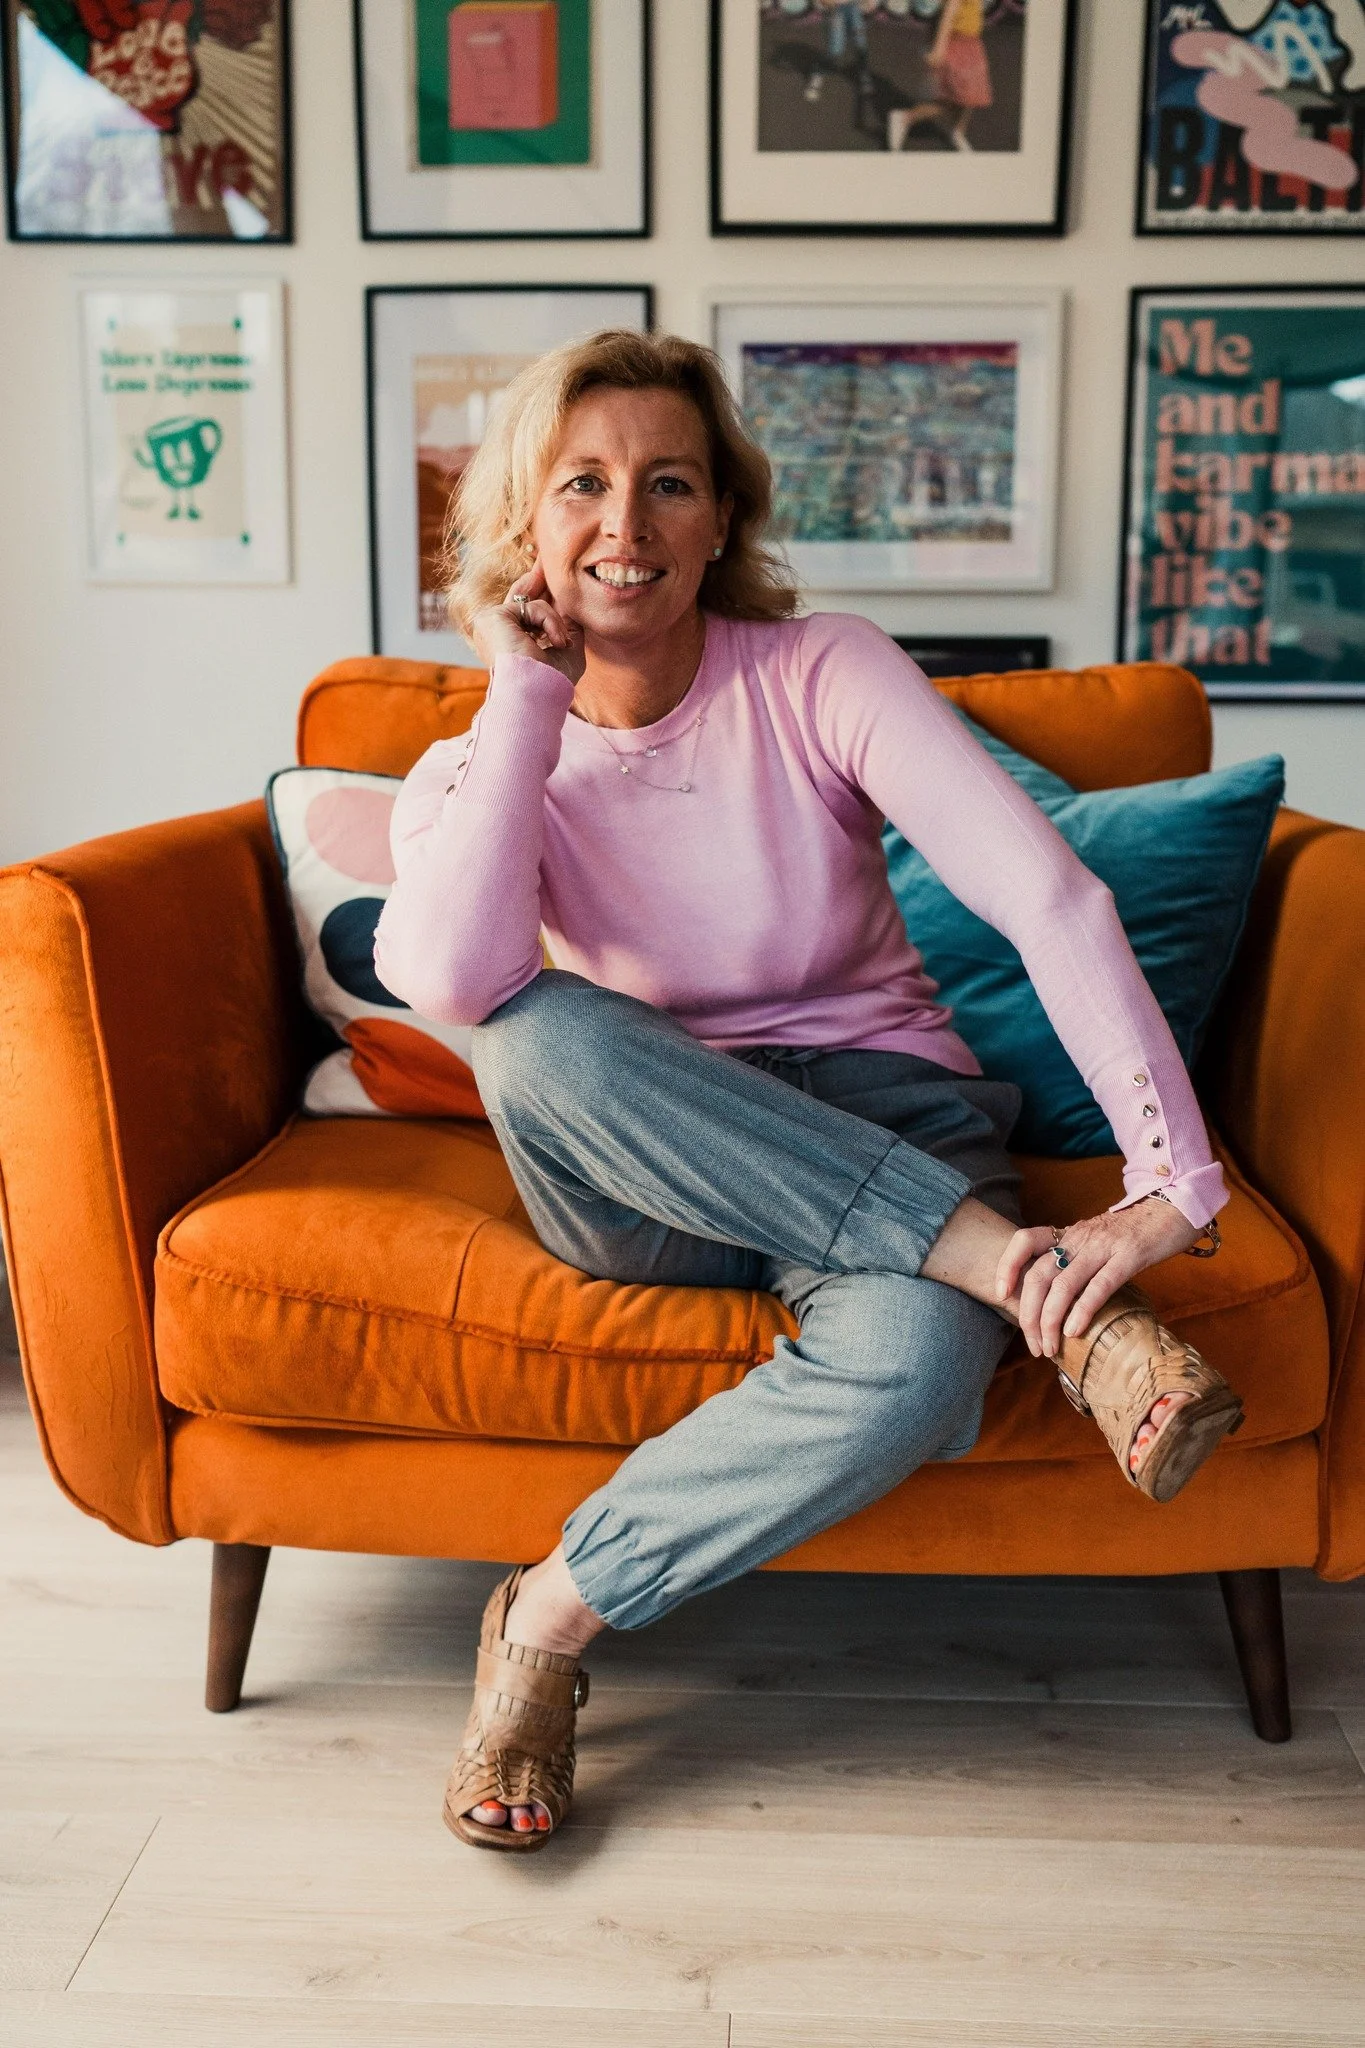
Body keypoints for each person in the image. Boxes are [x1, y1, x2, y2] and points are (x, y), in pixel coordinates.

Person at [374, 330, 1237, 1854]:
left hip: (881, 1118)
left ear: (723, 520)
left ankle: (545, 1623)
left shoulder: (820, 671)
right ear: (524, 521)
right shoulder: (474, 762)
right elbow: (448, 981)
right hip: (646, 1168)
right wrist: (525, 699)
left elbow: (1048, 901)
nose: (623, 525)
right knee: (524, 1025)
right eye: (580, 484)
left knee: (919, 1373)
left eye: (669, 484)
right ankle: (1033, 1288)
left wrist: (1174, 1180)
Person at [888, 0, 992, 152]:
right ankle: (905, 118)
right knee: (952, 98)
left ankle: (957, 131)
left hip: (972, 44)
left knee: (972, 96)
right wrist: (938, 49)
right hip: (957, 45)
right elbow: (947, 16)